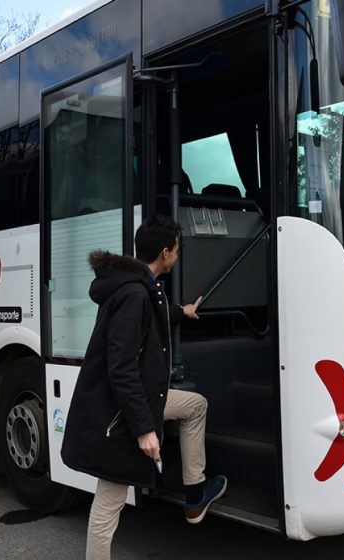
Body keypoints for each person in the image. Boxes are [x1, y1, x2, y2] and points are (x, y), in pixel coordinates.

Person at [61, 215, 227, 560]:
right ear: (165, 253)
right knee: (110, 501)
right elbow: (120, 368)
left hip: (142, 400)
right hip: (119, 413)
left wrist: (183, 311)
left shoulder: (141, 287)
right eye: (177, 250)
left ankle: (195, 495)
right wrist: (143, 429)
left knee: (195, 405)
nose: (178, 256)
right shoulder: (134, 294)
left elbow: (155, 315)